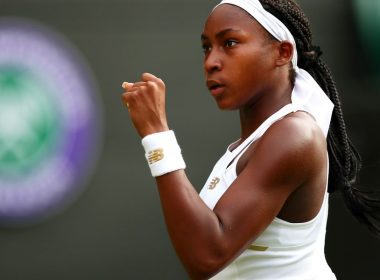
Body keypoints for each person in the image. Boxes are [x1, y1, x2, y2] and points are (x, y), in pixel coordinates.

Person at [121, 0, 380, 279]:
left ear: (282, 52)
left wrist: (156, 134)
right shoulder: (246, 147)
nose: (211, 62)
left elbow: (206, 256)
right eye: (206, 47)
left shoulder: (294, 135)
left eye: (230, 43)